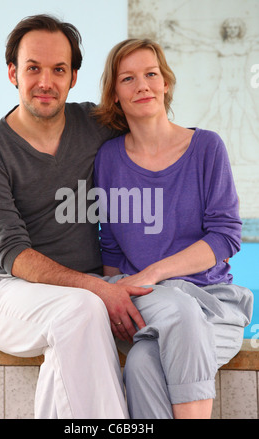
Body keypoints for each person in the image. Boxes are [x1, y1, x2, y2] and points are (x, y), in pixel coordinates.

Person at [0, 15, 153, 419]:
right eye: (33, 68)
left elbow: (155, 136)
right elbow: (13, 253)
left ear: (74, 77)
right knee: (82, 310)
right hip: (12, 294)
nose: (45, 81)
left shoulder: (97, 126)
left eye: (58, 70)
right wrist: (98, 288)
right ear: (13, 72)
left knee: (75, 341)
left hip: (88, 297)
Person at [93, 38, 253, 419]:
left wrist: (156, 270)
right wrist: (115, 309)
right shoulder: (109, 159)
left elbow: (226, 234)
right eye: (128, 79)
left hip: (214, 303)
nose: (142, 85)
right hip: (154, 300)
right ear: (115, 95)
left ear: (165, 82)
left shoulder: (206, 148)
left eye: (151, 74)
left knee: (144, 363)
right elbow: (111, 245)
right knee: (178, 310)